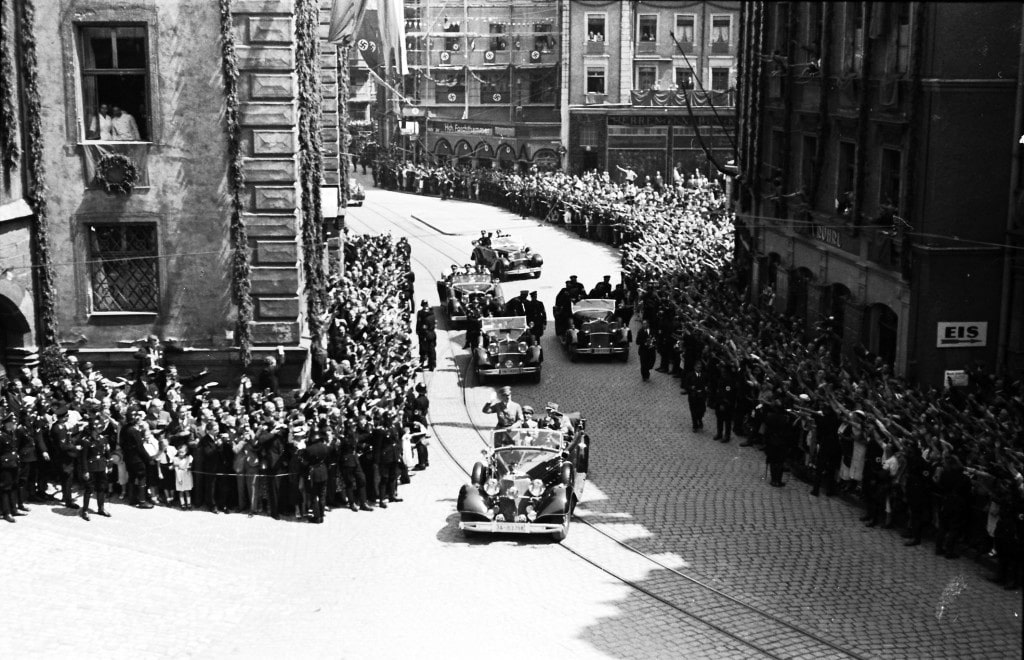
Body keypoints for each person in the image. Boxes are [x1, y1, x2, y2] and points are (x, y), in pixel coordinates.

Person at [78, 412, 112, 520]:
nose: (101, 430)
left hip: (101, 466)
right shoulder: (86, 441)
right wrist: (85, 471)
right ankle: (85, 510)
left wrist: (109, 465)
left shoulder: (103, 439)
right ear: (93, 429)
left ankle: (101, 508)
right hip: (91, 468)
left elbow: (107, 453)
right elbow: (83, 458)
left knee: (101, 488)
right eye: (99, 428)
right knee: (89, 489)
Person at [302, 430, 330, 523]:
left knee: (313, 495)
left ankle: (317, 516)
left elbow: (305, 462)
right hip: (323, 470)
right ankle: (321, 515)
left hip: (313, 472)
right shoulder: (325, 447)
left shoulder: (308, 449)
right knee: (322, 495)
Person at [0, 413, 22, 523]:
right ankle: (6, 512)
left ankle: (14, 509)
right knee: (5, 489)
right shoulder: (1, 435)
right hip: (5, 466)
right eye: (13, 423)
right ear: (7, 424)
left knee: (14, 486)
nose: (15, 424)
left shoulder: (12, 433)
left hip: (14, 463)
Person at [684, 362, 708, 431]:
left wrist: (706, 387)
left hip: (701, 396)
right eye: (698, 367)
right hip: (693, 396)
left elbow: (707, 383)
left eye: (700, 367)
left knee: (702, 410)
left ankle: (699, 419)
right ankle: (695, 425)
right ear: (694, 367)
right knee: (693, 411)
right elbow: (686, 385)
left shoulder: (704, 375)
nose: (699, 369)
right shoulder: (690, 375)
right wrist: (691, 388)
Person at [172, 445, 193, 510]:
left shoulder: (188, 458)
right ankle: (182, 503)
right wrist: (179, 479)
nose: (181, 454)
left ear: (186, 452)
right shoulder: (176, 459)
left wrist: (189, 467)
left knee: (187, 490)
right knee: (181, 491)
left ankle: (189, 503)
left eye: (182, 452)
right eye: (179, 452)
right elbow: (176, 469)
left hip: (187, 476)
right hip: (180, 475)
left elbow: (190, 465)